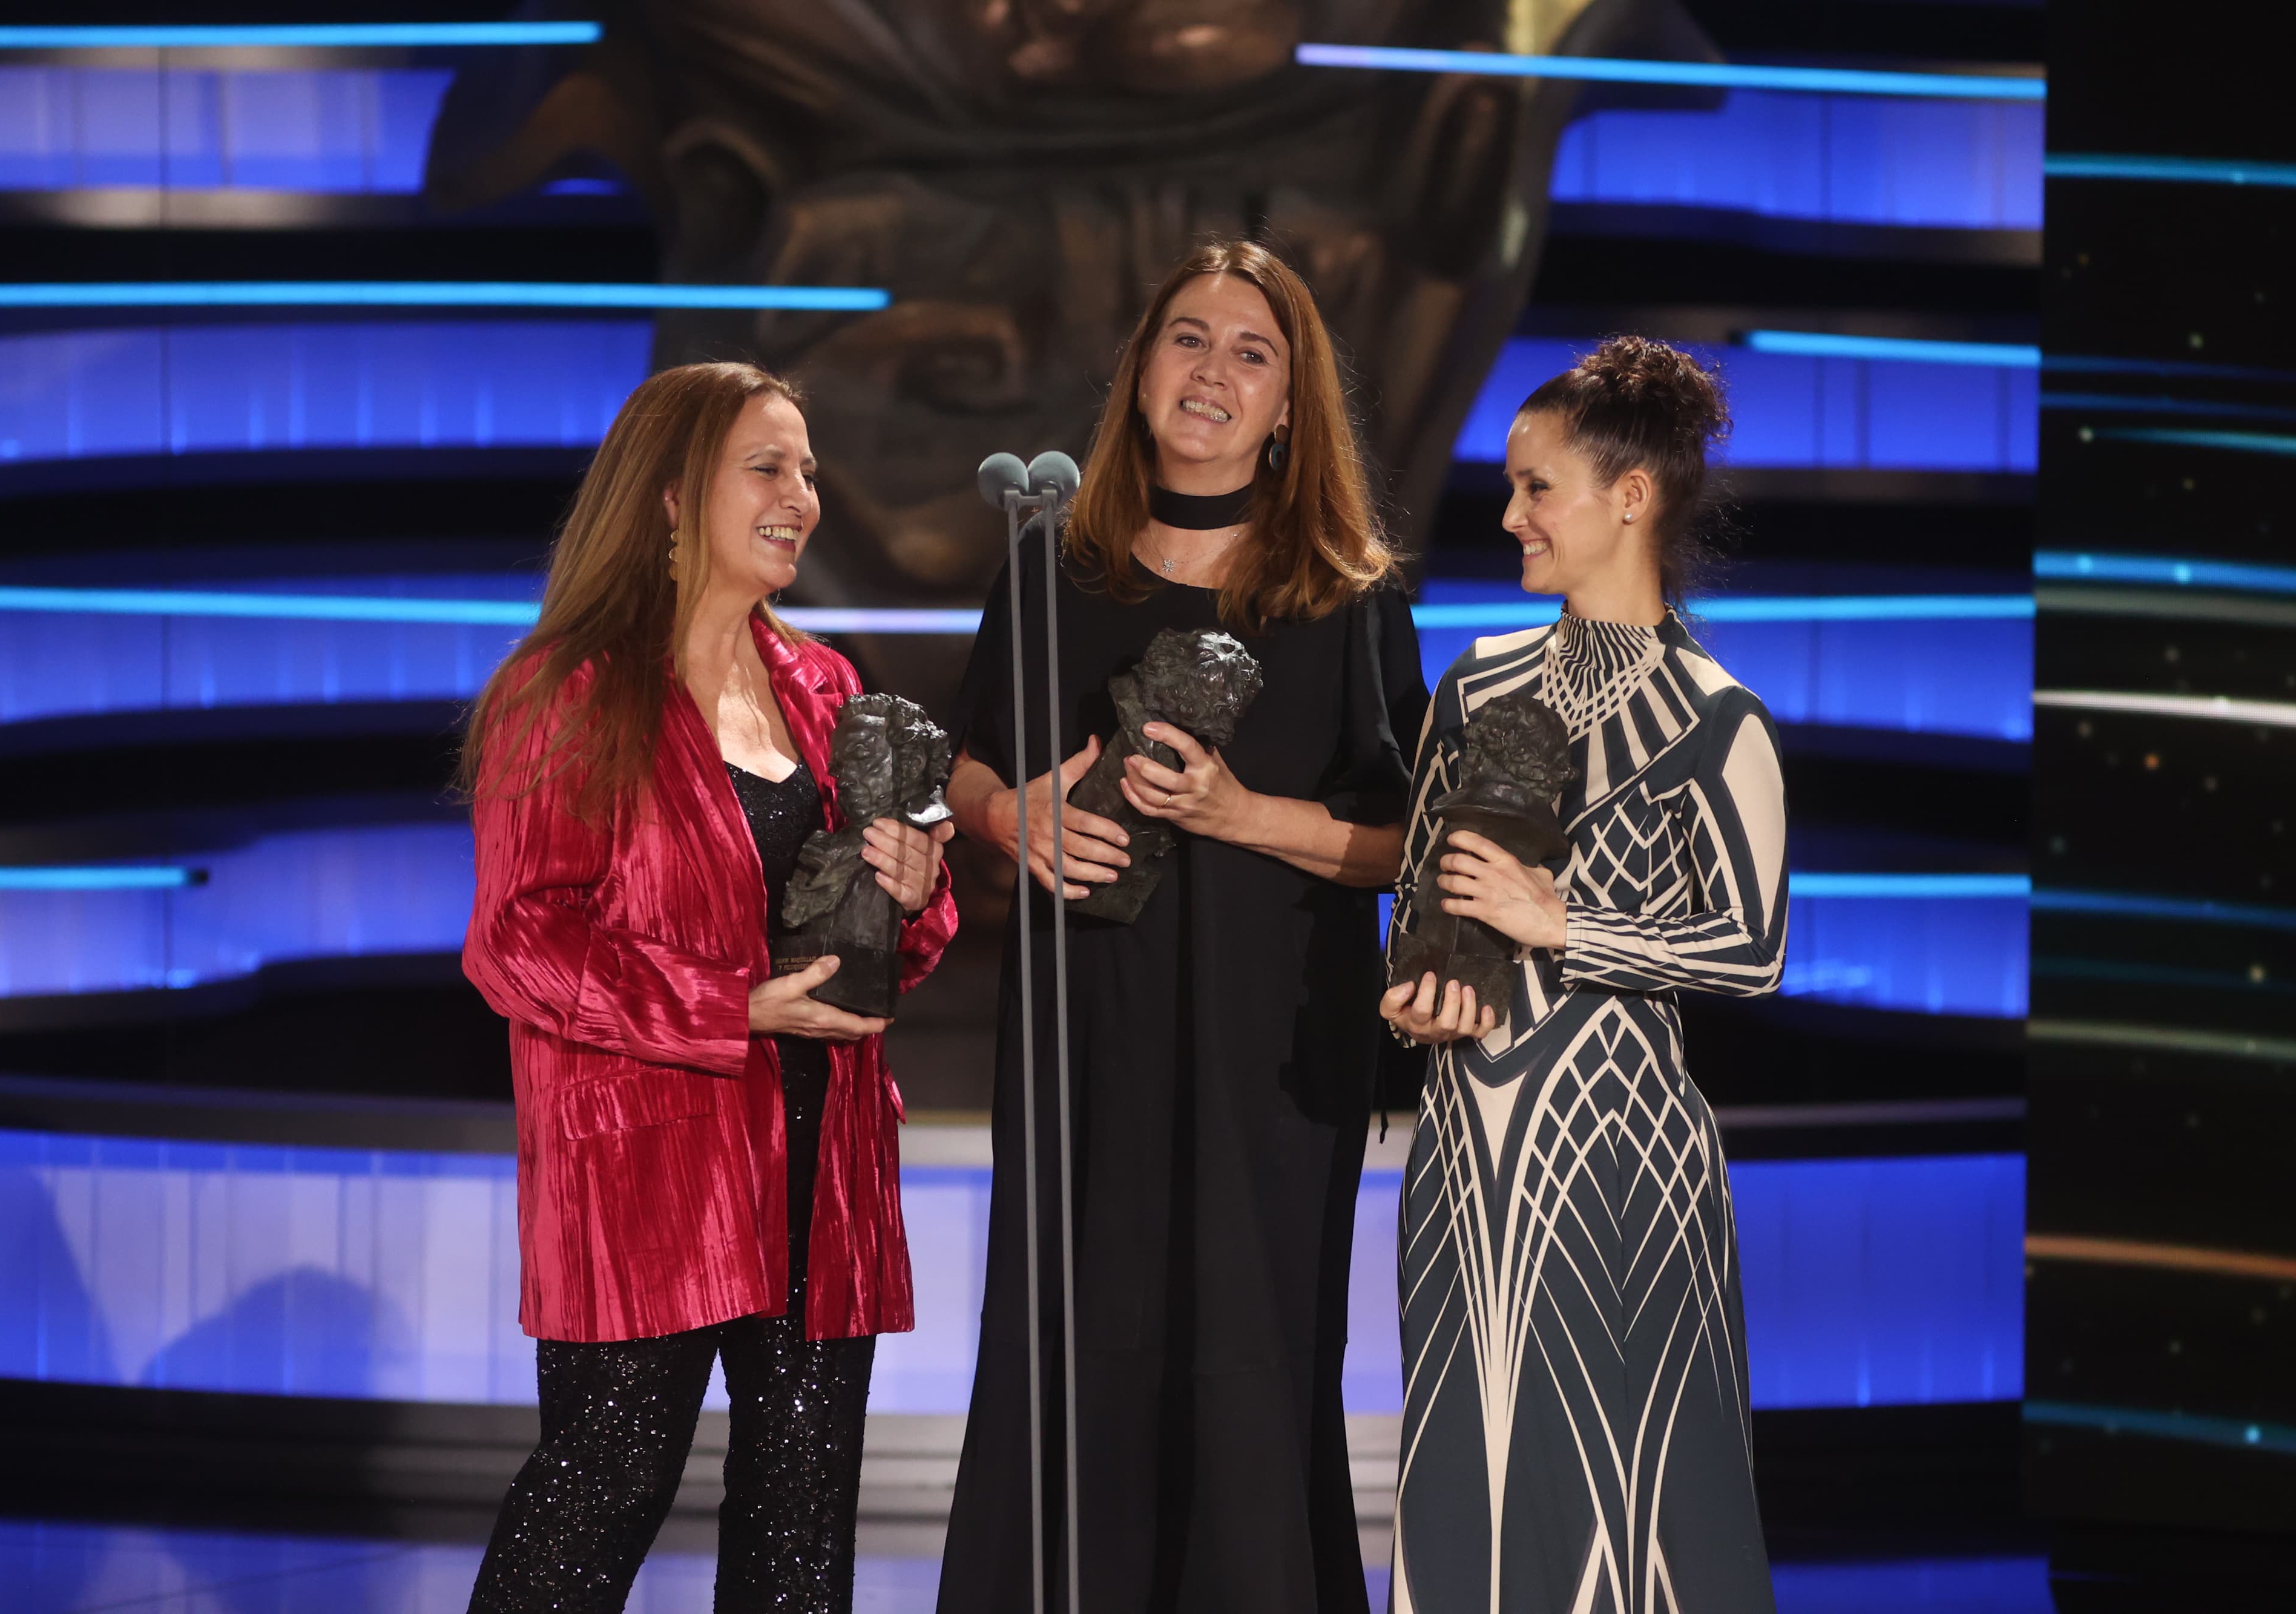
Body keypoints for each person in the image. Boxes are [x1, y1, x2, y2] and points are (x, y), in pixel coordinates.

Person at [936, 240, 1429, 1613]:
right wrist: (1001, 818)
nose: (1211, 370)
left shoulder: (1346, 590)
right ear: (1138, 369)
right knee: (1069, 1349)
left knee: (1248, 1361)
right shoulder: (1052, 570)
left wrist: (1238, 812)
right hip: (1079, 1041)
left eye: (1250, 352)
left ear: (1289, 406)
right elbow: (970, 764)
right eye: (1187, 339)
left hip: (1269, 1059)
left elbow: (1408, 840)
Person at [456, 361, 956, 1613]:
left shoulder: (828, 686)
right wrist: (728, 1004)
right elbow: (517, 940)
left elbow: (899, 939)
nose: (805, 496)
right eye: (769, 467)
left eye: (809, 471)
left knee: (799, 1525)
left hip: (819, 1162)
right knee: (596, 1495)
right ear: (673, 495)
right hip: (648, 1173)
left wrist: (915, 883)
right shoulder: (567, 692)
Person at [1380, 337, 1784, 1613]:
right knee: (1468, 1479)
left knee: (1648, 1496)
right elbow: (1422, 888)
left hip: (1621, 1164)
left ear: (1630, 494)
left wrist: (1566, 921)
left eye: (1533, 486)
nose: (1508, 516)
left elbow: (1753, 946)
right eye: (1508, 488)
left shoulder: (1719, 719)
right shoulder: (1478, 679)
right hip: (1466, 1152)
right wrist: (1412, 987)